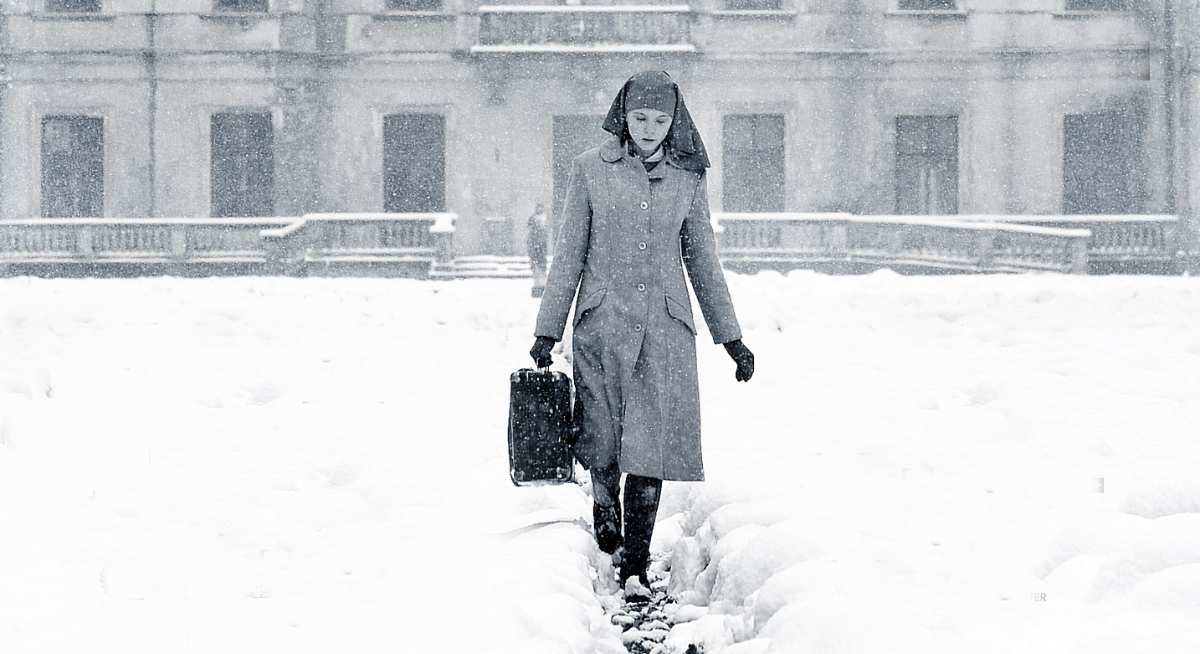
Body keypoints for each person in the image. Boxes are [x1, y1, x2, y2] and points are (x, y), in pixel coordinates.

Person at [528, 70, 755, 596]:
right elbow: (569, 255)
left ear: (674, 120)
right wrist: (547, 330)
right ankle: (603, 503)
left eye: (660, 119)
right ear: (623, 118)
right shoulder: (590, 169)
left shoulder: (688, 176)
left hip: (664, 331)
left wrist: (732, 338)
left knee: (649, 449)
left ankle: (634, 564)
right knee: (602, 437)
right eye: (640, 118)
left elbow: (702, 260)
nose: (650, 128)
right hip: (602, 324)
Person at [526, 203, 549, 298]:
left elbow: (545, 234)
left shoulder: (544, 219)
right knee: (536, 267)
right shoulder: (533, 219)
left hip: (541, 247)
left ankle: (542, 285)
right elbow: (530, 234)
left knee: (542, 267)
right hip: (535, 247)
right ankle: (537, 286)